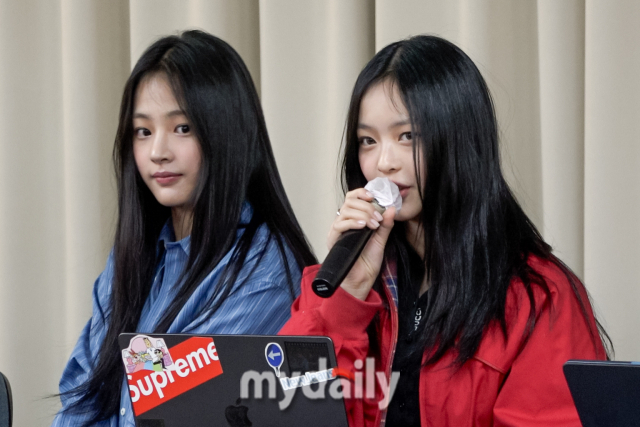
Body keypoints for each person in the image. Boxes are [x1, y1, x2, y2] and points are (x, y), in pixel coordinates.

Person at [280, 35, 609, 426]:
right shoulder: (356, 281)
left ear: (458, 139)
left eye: (407, 136)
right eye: (367, 141)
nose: (383, 162)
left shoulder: (539, 296)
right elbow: (286, 409)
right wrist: (346, 298)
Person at [52, 30, 316, 426]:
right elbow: (82, 396)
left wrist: (131, 370)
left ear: (226, 133)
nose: (158, 152)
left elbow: (173, 407)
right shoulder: (133, 256)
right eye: (143, 131)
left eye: (182, 128)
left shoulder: (264, 270)